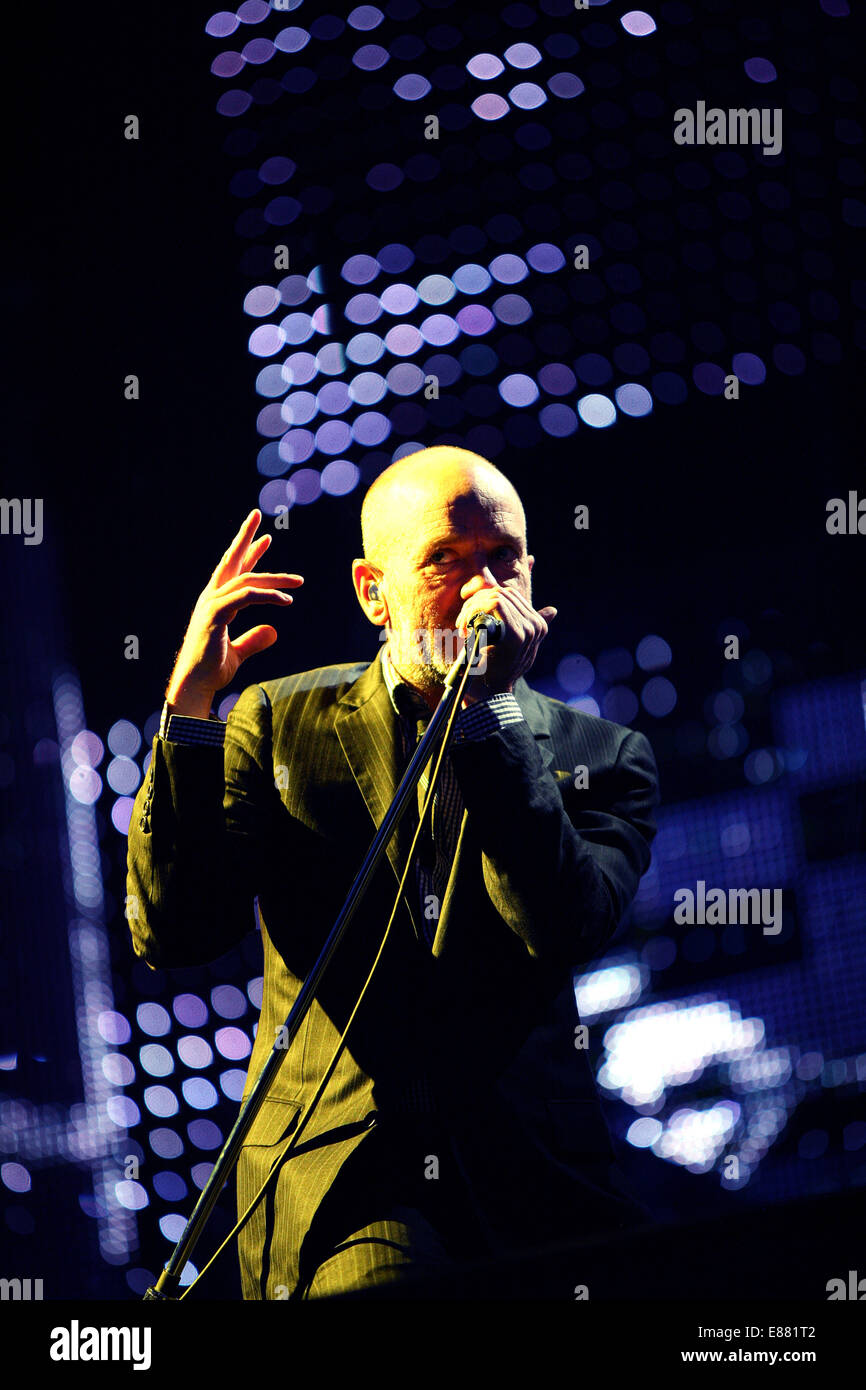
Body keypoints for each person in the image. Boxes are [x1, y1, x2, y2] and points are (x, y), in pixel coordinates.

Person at [126, 445, 660, 1299]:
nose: (480, 588)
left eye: (501, 559)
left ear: (530, 574)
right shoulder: (279, 722)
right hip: (354, 1181)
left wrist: (485, 713)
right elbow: (177, 931)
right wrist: (189, 714)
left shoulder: (603, 756)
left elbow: (560, 926)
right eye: (444, 560)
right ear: (373, 591)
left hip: (536, 1181)